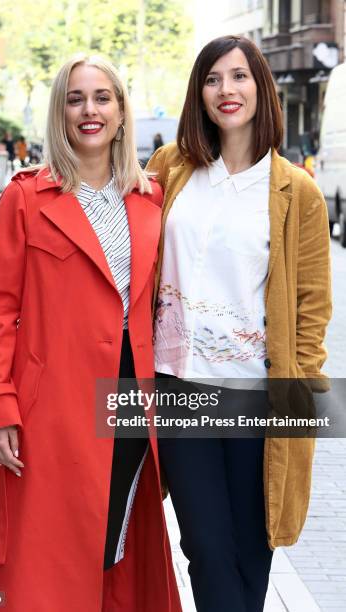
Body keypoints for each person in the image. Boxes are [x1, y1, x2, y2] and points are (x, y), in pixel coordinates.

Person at [0, 54, 181, 612]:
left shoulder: (151, 197)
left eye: (102, 97)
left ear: (120, 111)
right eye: (75, 98)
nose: (90, 110)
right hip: (50, 413)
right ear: (60, 112)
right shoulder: (25, 198)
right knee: (44, 560)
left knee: (113, 546)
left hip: (128, 404)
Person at [147, 35, 332, 612]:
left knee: (253, 549)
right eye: (212, 79)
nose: (226, 90)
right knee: (203, 543)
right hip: (180, 389)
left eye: (239, 77)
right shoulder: (170, 168)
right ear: (198, 92)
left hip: (257, 394)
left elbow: (311, 308)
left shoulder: (295, 191)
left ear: (262, 88)